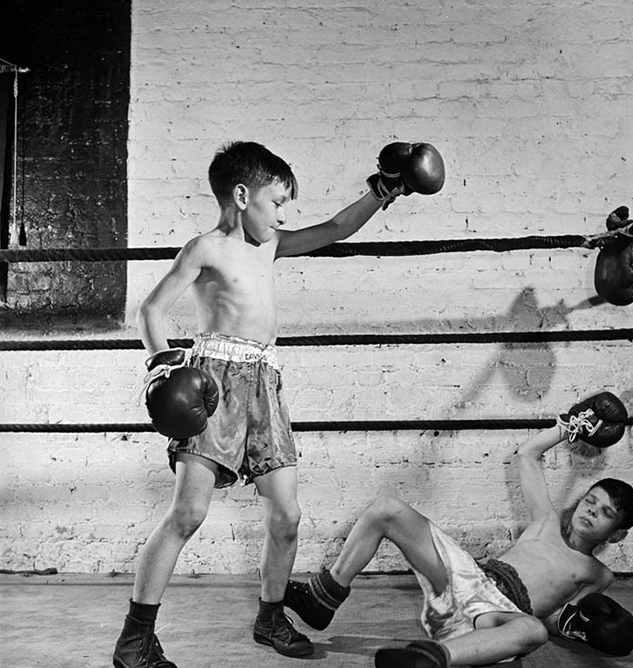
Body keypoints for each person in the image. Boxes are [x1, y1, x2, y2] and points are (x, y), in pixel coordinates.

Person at [112, 139, 445, 668]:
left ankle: (270, 618)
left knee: (287, 515)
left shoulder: (268, 244)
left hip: (265, 380)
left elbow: (335, 229)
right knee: (187, 514)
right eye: (277, 202)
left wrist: (382, 191)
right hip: (213, 381)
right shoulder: (206, 249)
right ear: (242, 196)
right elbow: (151, 310)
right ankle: (135, 641)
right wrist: (163, 366)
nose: (283, 214)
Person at [284, 393, 633, 667]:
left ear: (616, 534)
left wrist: (580, 628)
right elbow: (526, 455)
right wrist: (570, 426)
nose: (590, 512)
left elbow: (553, 616)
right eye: (590, 501)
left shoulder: (598, 574)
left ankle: (432, 659)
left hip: (498, 614)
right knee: (387, 508)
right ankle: (323, 598)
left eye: (605, 513)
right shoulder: (546, 522)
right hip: (468, 578)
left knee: (532, 631)